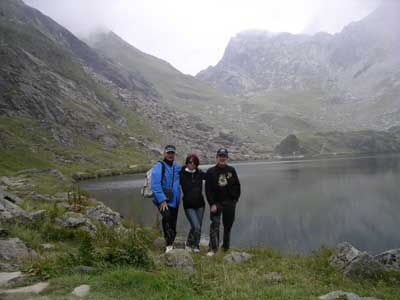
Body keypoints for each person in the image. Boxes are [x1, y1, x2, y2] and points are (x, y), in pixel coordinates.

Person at [205, 148, 241, 256]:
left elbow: (237, 185)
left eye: (224, 156)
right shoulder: (210, 172)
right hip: (217, 203)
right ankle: (212, 248)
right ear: (217, 157)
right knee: (215, 224)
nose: (222, 158)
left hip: (230, 202)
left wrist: (235, 199)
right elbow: (208, 190)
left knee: (228, 226)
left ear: (227, 158)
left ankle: (225, 248)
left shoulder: (231, 170)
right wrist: (212, 204)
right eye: (220, 156)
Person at [151, 145, 181, 253]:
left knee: (173, 223)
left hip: (175, 201)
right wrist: (162, 200)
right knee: (167, 219)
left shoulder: (177, 167)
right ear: (164, 153)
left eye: (172, 153)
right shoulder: (159, 166)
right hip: (163, 201)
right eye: (168, 153)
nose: (170, 155)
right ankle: (168, 246)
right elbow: (155, 184)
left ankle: (171, 243)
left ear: (174, 154)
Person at [180, 154, 205, 253]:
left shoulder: (200, 173)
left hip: (200, 205)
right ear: (186, 163)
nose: (192, 164)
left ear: (197, 164)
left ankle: (189, 244)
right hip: (188, 206)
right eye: (190, 162)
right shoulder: (181, 174)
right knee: (196, 226)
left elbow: (212, 177)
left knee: (196, 226)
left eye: (194, 162)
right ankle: (196, 246)